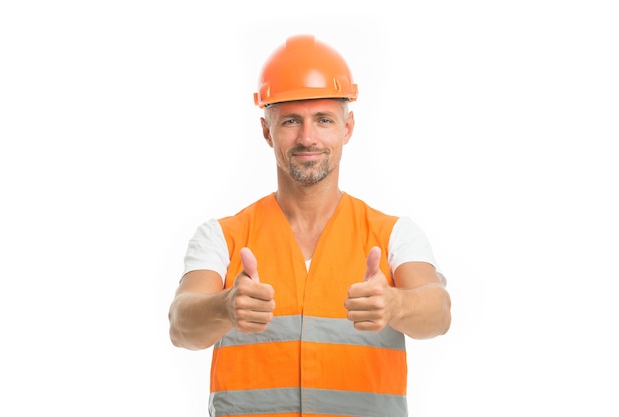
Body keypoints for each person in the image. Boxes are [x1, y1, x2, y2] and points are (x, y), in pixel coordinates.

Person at [168, 34, 451, 417]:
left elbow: (439, 313)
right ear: (267, 131)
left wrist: (397, 303)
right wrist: (224, 307)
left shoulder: (393, 234)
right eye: (290, 121)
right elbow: (181, 326)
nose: (307, 137)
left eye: (323, 120)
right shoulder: (223, 236)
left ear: (347, 129)